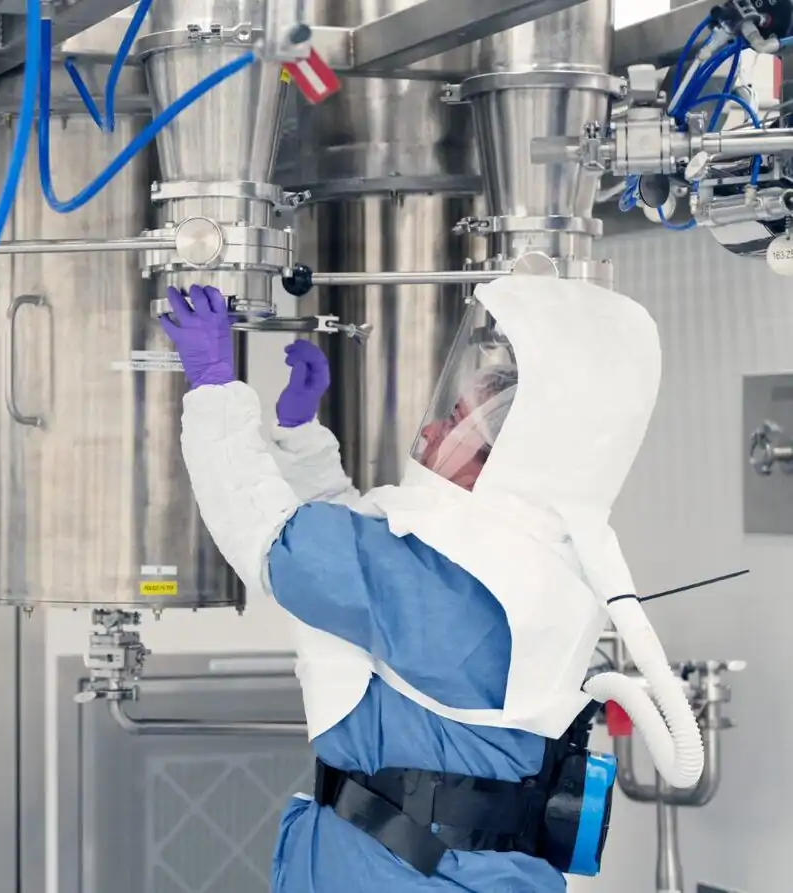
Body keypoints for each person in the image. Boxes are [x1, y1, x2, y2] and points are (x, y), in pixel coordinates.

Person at [160, 276, 703, 893]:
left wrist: (213, 388)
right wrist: (301, 440)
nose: (441, 430)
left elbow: (273, 538)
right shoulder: (521, 567)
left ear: (508, 458)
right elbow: (362, 565)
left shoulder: (459, 585)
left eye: (461, 422)